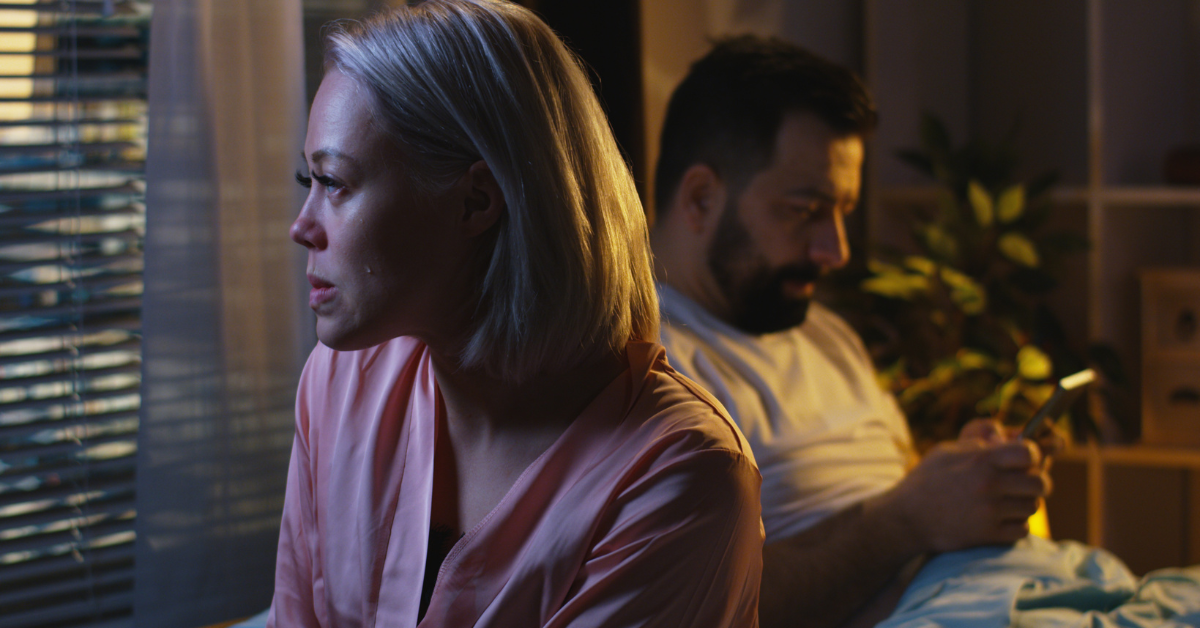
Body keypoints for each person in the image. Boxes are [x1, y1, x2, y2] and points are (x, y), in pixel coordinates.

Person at [268, 2, 763, 626]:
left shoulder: (680, 479)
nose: (301, 226)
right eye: (305, 181)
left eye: (334, 183)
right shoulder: (338, 386)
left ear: (476, 199)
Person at [650, 36, 1054, 628]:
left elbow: (901, 488)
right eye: (805, 209)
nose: (835, 250)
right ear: (702, 198)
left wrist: (972, 481)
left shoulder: (826, 334)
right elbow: (706, 609)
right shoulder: (650, 366)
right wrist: (907, 521)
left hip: (1023, 589)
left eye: (842, 211)